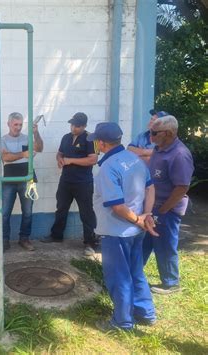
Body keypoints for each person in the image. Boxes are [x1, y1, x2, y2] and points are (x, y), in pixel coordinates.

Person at [88, 122, 158, 331]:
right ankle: (146, 313)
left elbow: (117, 206)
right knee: (136, 272)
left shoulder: (108, 168)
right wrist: (146, 216)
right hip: (137, 232)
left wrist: (138, 219)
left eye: (96, 142)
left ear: (101, 143)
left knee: (119, 277)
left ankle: (122, 321)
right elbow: (150, 187)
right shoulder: (133, 159)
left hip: (117, 232)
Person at [142, 115, 194, 294]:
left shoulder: (179, 155)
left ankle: (171, 283)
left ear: (169, 133)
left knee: (164, 245)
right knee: (144, 242)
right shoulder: (159, 148)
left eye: (154, 133)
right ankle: (132, 274)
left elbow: (182, 187)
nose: (151, 136)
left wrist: (163, 210)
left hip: (167, 209)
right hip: (153, 207)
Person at [41, 112, 98, 256]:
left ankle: (90, 242)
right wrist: (60, 159)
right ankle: (56, 236)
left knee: (86, 212)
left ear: (84, 126)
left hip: (83, 182)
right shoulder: (66, 137)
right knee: (61, 208)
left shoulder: (91, 138)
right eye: (72, 125)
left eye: (77, 126)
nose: (73, 128)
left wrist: (71, 160)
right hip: (66, 180)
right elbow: (59, 153)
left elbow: (93, 160)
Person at [1, 112, 44, 251]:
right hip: (9, 178)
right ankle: (4, 240)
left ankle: (24, 239)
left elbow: (39, 148)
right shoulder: (2, 139)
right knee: (5, 212)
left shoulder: (27, 138)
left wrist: (36, 133)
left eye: (20, 124)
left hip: (27, 177)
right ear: (8, 124)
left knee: (27, 212)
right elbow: (5, 157)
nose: (18, 127)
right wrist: (23, 154)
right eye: (15, 124)